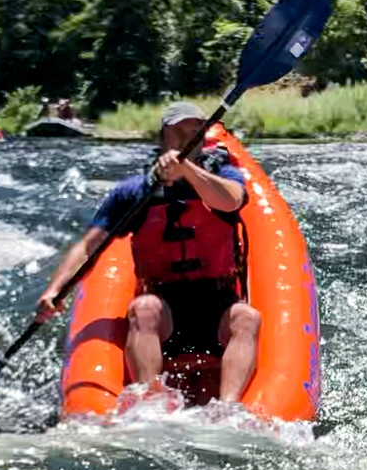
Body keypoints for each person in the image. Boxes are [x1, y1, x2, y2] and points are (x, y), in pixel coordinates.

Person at [34, 102, 262, 402]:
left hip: (217, 302)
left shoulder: (227, 174)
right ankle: (151, 404)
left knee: (247, 316)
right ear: (162, 137)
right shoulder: (134, 192)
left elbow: (230, 202)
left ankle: (229, 408)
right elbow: (90, 245)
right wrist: (55, 290)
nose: (186, 137)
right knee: (144, 309)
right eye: (178, 131)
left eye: (194, 131)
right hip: (164, 304)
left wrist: (187, 171)